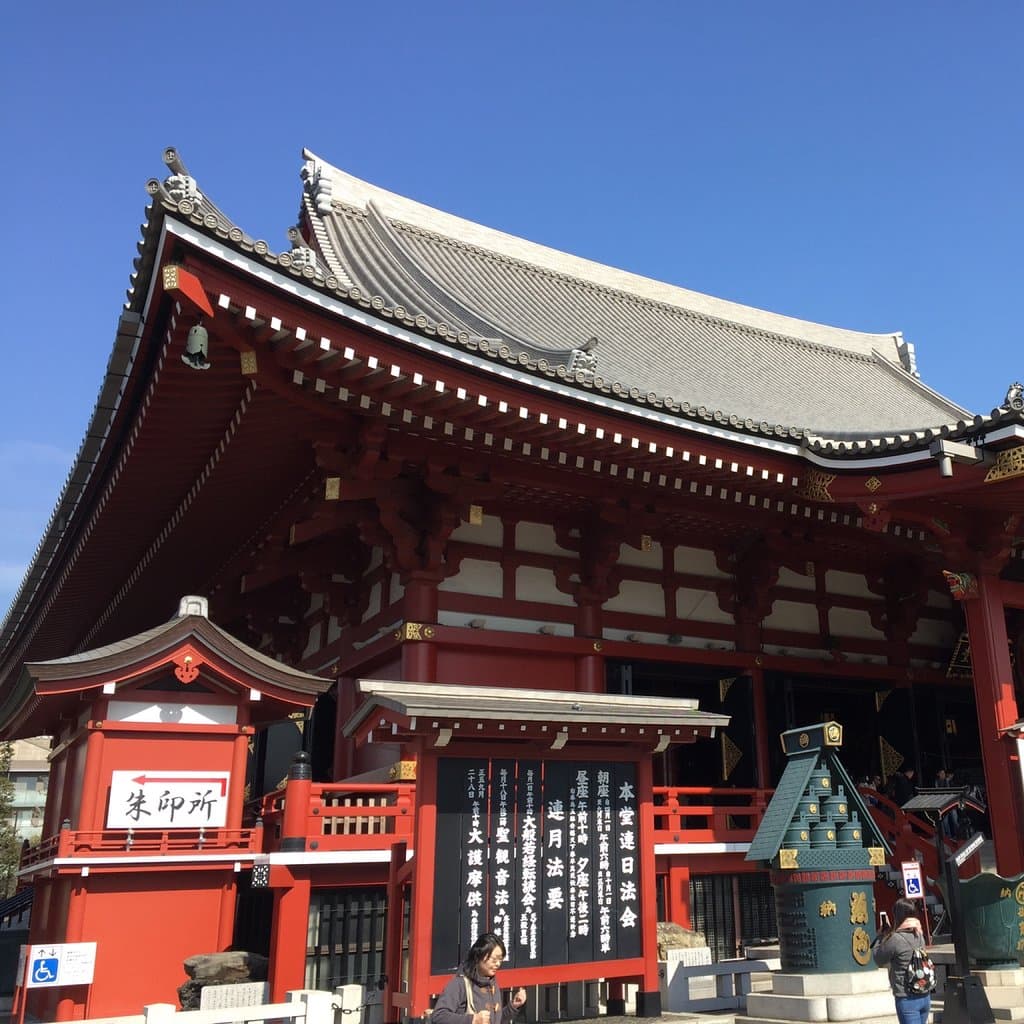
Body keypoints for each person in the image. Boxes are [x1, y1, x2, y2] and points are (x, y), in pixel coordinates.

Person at [432, 933, 527, 1024]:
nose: (498, 964)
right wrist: (472, 1020)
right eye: (494, 959)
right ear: (478, 956)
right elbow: (438, 1016)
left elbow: (496, 1021)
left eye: (500, 960)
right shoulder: (460, 983)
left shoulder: (491, 983)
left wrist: (513, 1006)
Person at [872, 897, 931, 1024]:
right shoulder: (919, 934)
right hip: (924, 994)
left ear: (897, 916)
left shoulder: (895, 939)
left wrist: (880, 936)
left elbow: (878, 958)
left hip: (907, 997)